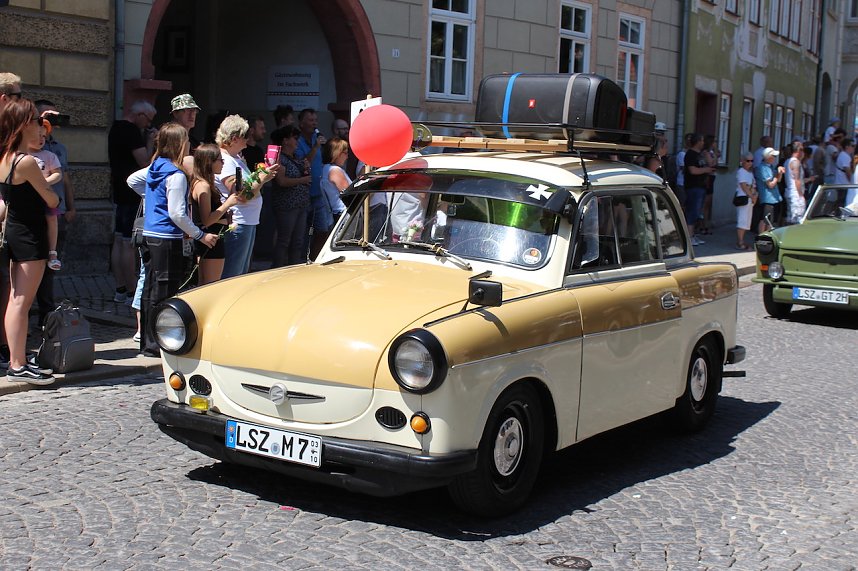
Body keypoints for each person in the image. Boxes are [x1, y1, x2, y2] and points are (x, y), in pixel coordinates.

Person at [128, 123, 218, 356]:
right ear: (179, 143)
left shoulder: (157, 166)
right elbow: (177, 213)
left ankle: (148, 342)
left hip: (149, 236)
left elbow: (133, 180)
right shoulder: (176, 175)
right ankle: (161, 342)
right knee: (165, 290)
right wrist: (200, 234)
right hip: (166, 237)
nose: (189, 143)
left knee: (150, 288)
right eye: (186, 139)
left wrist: (153, 200)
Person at [0, 99, 60, 383]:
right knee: (22, 301)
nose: (40, 127)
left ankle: (17, 360)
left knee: (16, 300)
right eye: (36, 121)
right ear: (24, 125)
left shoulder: (5, 158)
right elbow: (51, 198)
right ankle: (17, 364)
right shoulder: (25, 162)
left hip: (14, 231)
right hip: (29, 234)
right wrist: (50, 187)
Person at [213, 115, 278, 278]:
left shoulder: (235, 158)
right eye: (245, 137)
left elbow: (248, 186)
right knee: (233, 273)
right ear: (234, 138)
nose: (247, 141)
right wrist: (262, 177)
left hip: (246, 220)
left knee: (241, 272)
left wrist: (263, 176)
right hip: (238, 221)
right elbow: (241, 194)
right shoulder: (226, 161)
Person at [34, 99, 77, 326]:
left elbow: (65, 179)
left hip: (56, 213)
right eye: (45, 118)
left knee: (51, 265)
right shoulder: (27, 148)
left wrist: (71, 206)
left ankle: (46, 316)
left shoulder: (58, 149)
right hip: (33, 214)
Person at [108, 101, 156, 303]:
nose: (147, 126)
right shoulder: (131, 131)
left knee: (119, 240)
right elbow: (145, 162)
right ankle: (131, 290)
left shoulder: (115, 128)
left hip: (118, 189)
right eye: (148, 121)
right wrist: (151, 142)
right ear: (140, 115)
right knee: (129, 243)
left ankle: (120, 288)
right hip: (132, 192)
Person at [190, 144, 240, 284]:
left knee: (206, 284)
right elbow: (206, 220)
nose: (223, 163)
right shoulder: (203, 186)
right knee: (210, 285)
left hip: (212, 239)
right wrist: (227, 204)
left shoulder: (206, 183)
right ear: (209, 162)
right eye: (220, 160)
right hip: (210, 241)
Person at [269, 125, 311, 267]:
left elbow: (304, 176)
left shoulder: (296, 157)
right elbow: (281, 181)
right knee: (284, 241)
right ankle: (278, 269)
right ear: (285, 140)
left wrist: (305, 168)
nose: (297, 141)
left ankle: (294, 269)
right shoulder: (280, 159)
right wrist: (302, 180)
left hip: (300, 205)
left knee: (298, 241)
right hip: (286, 206)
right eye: (294, 138)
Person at [27, 121, 62, 270]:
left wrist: (44, 183)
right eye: (37, 135)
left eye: (44, 136)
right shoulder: (19, 155)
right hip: (25, 196)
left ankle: (52, 253)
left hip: (45, 195)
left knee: (52, 218)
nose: (41, 139)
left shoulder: (49, 156)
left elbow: (58, 174)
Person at [311, 137, 350, 259]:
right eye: (345, 152)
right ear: (337, 153)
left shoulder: (326, 168)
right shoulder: (335, 170)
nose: (347, 156)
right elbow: (350, 193)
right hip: (344, 215)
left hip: (337, 214)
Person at [295, 109, 326, 255]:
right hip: (303, 193)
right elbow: (303, 162)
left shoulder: (316, 137)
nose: (314, 123)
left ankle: (314, 258)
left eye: (315, 120)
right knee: (301, 233)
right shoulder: (298, 141)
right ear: (301, 123)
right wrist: (315, 147)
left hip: (318, 192)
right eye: (310, 120)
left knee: (322, 229)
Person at [683, 133, 714, 246]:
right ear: (697, 142)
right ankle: (689, 237)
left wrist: (709, 156)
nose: (703, 142)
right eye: (701, 140)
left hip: (701, 186)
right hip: (693, 186)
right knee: (692, 211)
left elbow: (711, 164)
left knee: (697, 213)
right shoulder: (690, 154)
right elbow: (692, 170)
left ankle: (693, 235)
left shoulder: (701, 154)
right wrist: (706, 170)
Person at [755, 147, 785, 233]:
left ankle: (766, 237)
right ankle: (761, 238)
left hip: (773, 198)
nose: (775, 158)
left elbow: (778, 180)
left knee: (770, 221)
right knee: (765, 219)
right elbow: (770, 184)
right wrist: (776, 176)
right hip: (767, 198)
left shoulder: (770, 167)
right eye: (773, 156)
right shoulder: (762, 168)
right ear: (768, 157)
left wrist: (779, 173)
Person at [735, 153, 757, 250]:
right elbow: (744, 186)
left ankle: (742, 240)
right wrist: (752, 196)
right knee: (742, 220)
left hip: (749, 199)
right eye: (748, 161)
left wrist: (754, 195)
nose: (750, 163)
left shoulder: (750, 173)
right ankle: (740, 242)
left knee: (747, 221)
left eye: (752, 161)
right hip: (743, 198)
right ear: (743, 161)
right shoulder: (741, 171)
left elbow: (752, 186)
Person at [783, 142, 809, 225]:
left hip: (790, 191)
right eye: (802, 150)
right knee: (797, 220)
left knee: (790, 218)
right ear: (799, 150)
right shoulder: (796, 162)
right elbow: (797, 179)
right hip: (795, 194)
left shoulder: (787, 161)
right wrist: (801, 196)